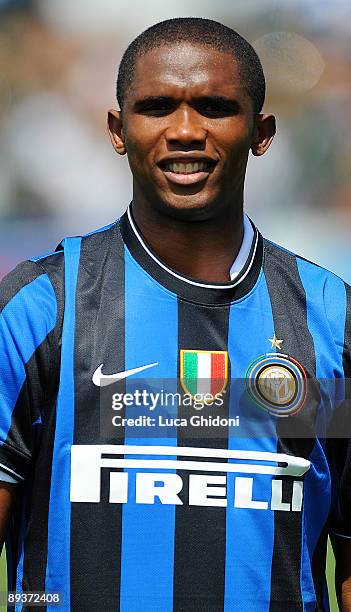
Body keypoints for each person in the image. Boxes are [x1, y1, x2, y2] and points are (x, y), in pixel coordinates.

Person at [0, 16, 350, 612]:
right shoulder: (40, 308)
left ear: (261, 132)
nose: (185, 131)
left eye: (215, 107)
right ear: (117, 130)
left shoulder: (331, 319)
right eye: (157, 106)